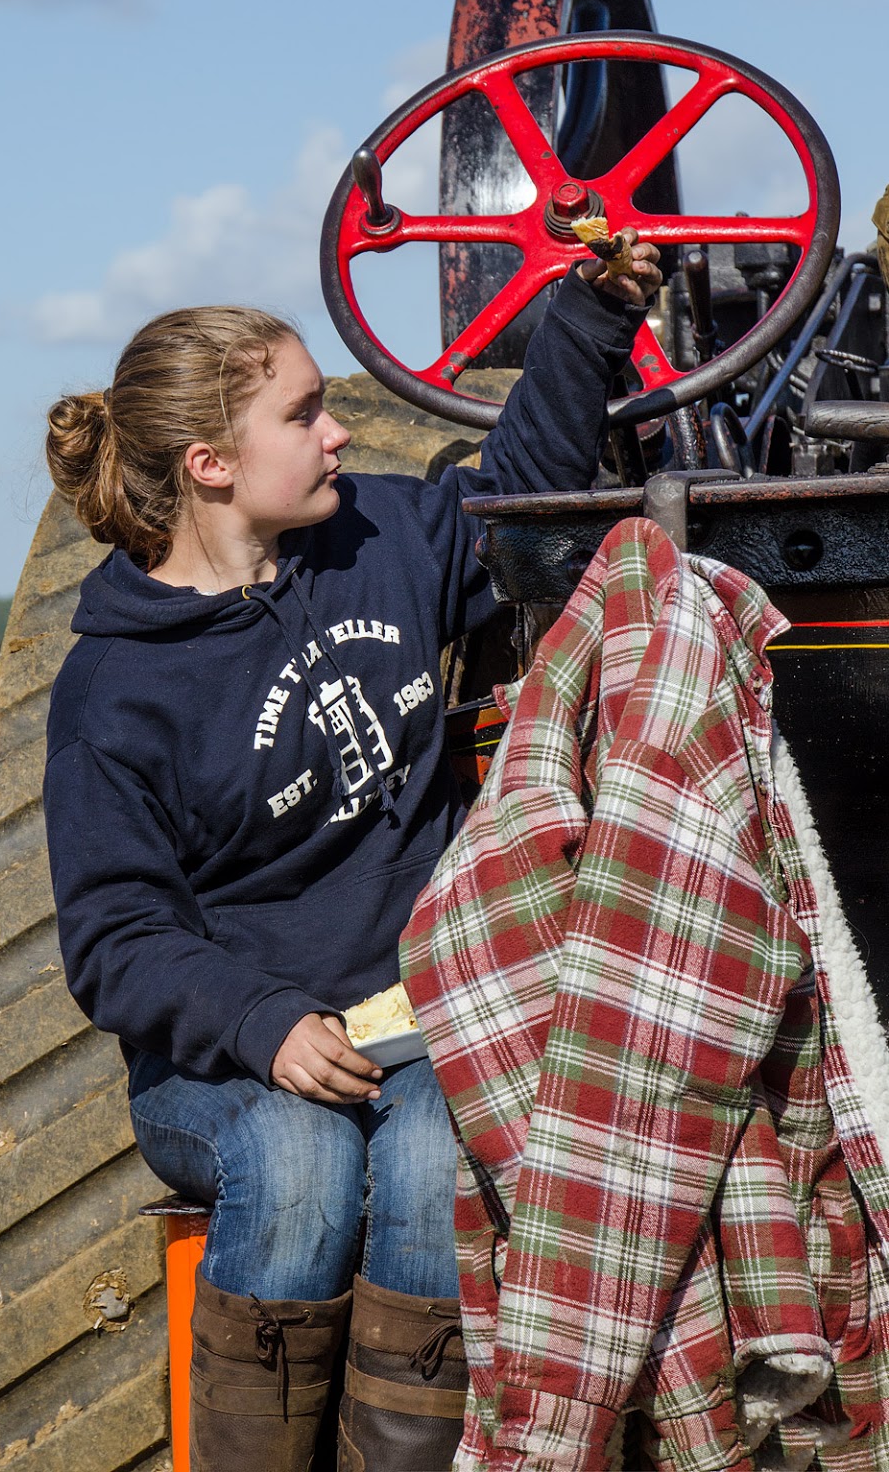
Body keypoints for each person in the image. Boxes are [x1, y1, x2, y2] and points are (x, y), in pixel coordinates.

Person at [42, 237, 661, 1472]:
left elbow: (519, 497)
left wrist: (588, 316)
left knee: (434, 1155)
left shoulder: (376, 534)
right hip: (227, 1050)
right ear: (211, 465)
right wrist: (262, 1021)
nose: (336, 434)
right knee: (296, 1159)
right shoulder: (113, 690)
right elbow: (114, 937)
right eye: (303, 413)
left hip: (417, 1011)